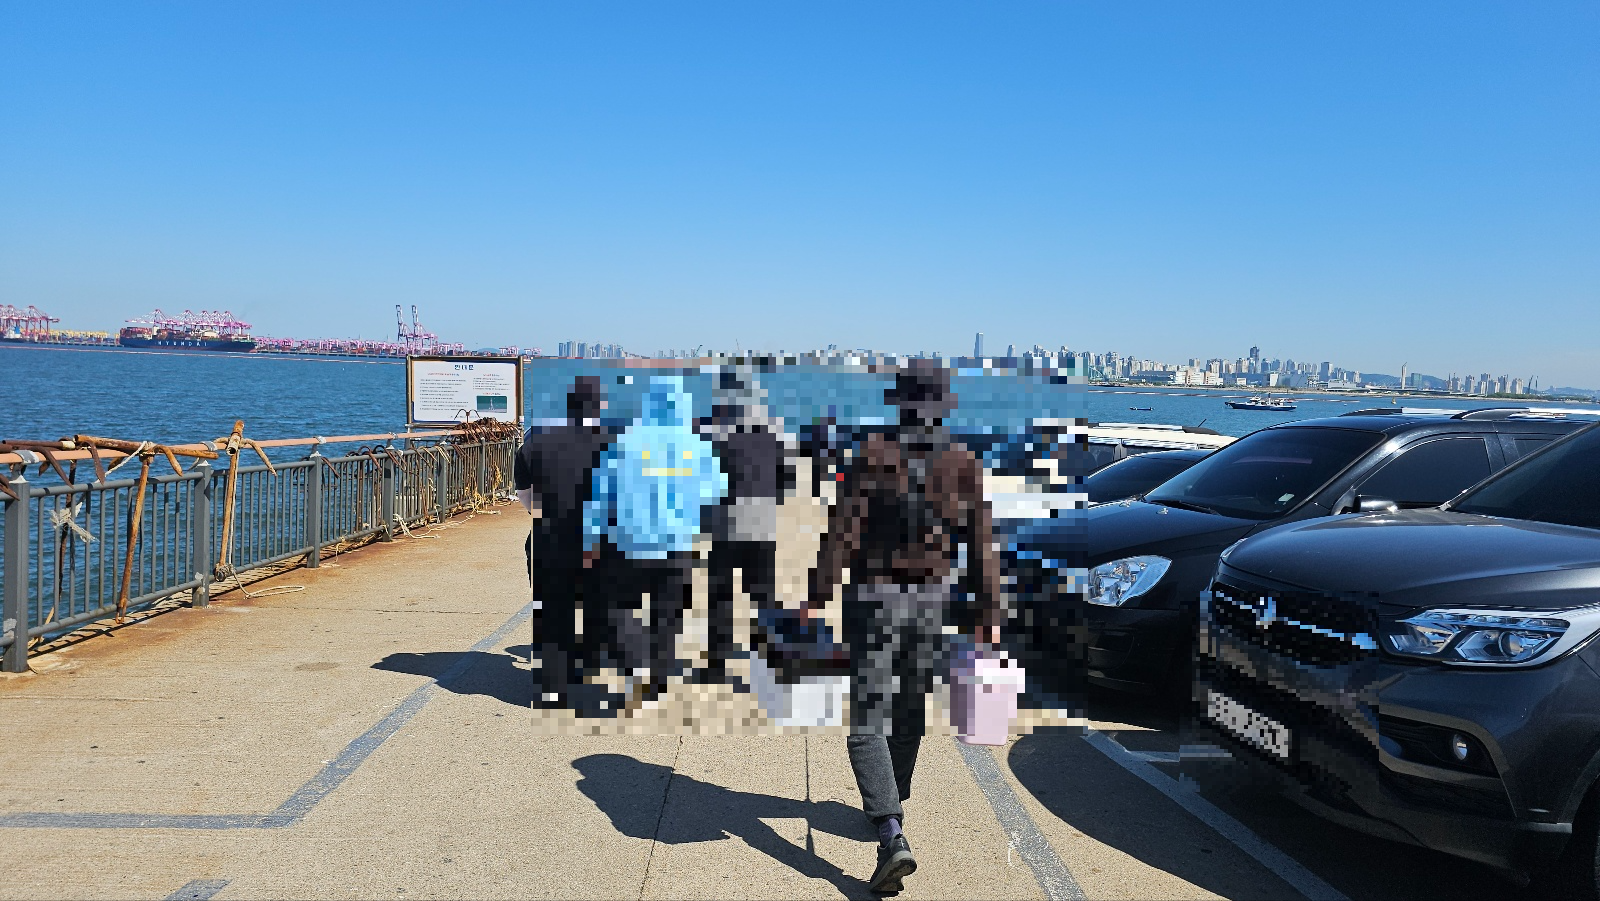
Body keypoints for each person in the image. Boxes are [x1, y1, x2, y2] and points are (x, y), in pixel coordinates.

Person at [808, 360, 1003, 894]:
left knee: (869, 717)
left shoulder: (873, 454)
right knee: (910, 706)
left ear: (897, 401)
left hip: (874, 599)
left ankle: (890, 829)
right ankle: (897, 801)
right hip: (933, 604)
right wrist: (988, 617)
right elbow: (982, 546)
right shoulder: (964, 463)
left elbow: (841, 534)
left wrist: (814, 597)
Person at [583, 375, 728, 708]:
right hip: (677, 547)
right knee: (668, 618)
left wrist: (591, 539)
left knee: (621, 612)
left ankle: (636, 670)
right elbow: (716, 494)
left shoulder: (623, 443)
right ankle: (659, 679)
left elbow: (599, 497)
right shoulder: (697, 446)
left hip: (627, 545)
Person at [515, 376, 616, 709]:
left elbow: (526, 498)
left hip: (549, 539)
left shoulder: (535, 439)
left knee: (553, 611)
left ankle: (553, 691)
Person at [695, 369, 794, 689]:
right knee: (764, 597)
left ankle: (716, 666)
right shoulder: (771, 428)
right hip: (762, 524)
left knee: (720, 596)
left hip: (726, 524)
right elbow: (787, 479)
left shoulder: (711, 429)